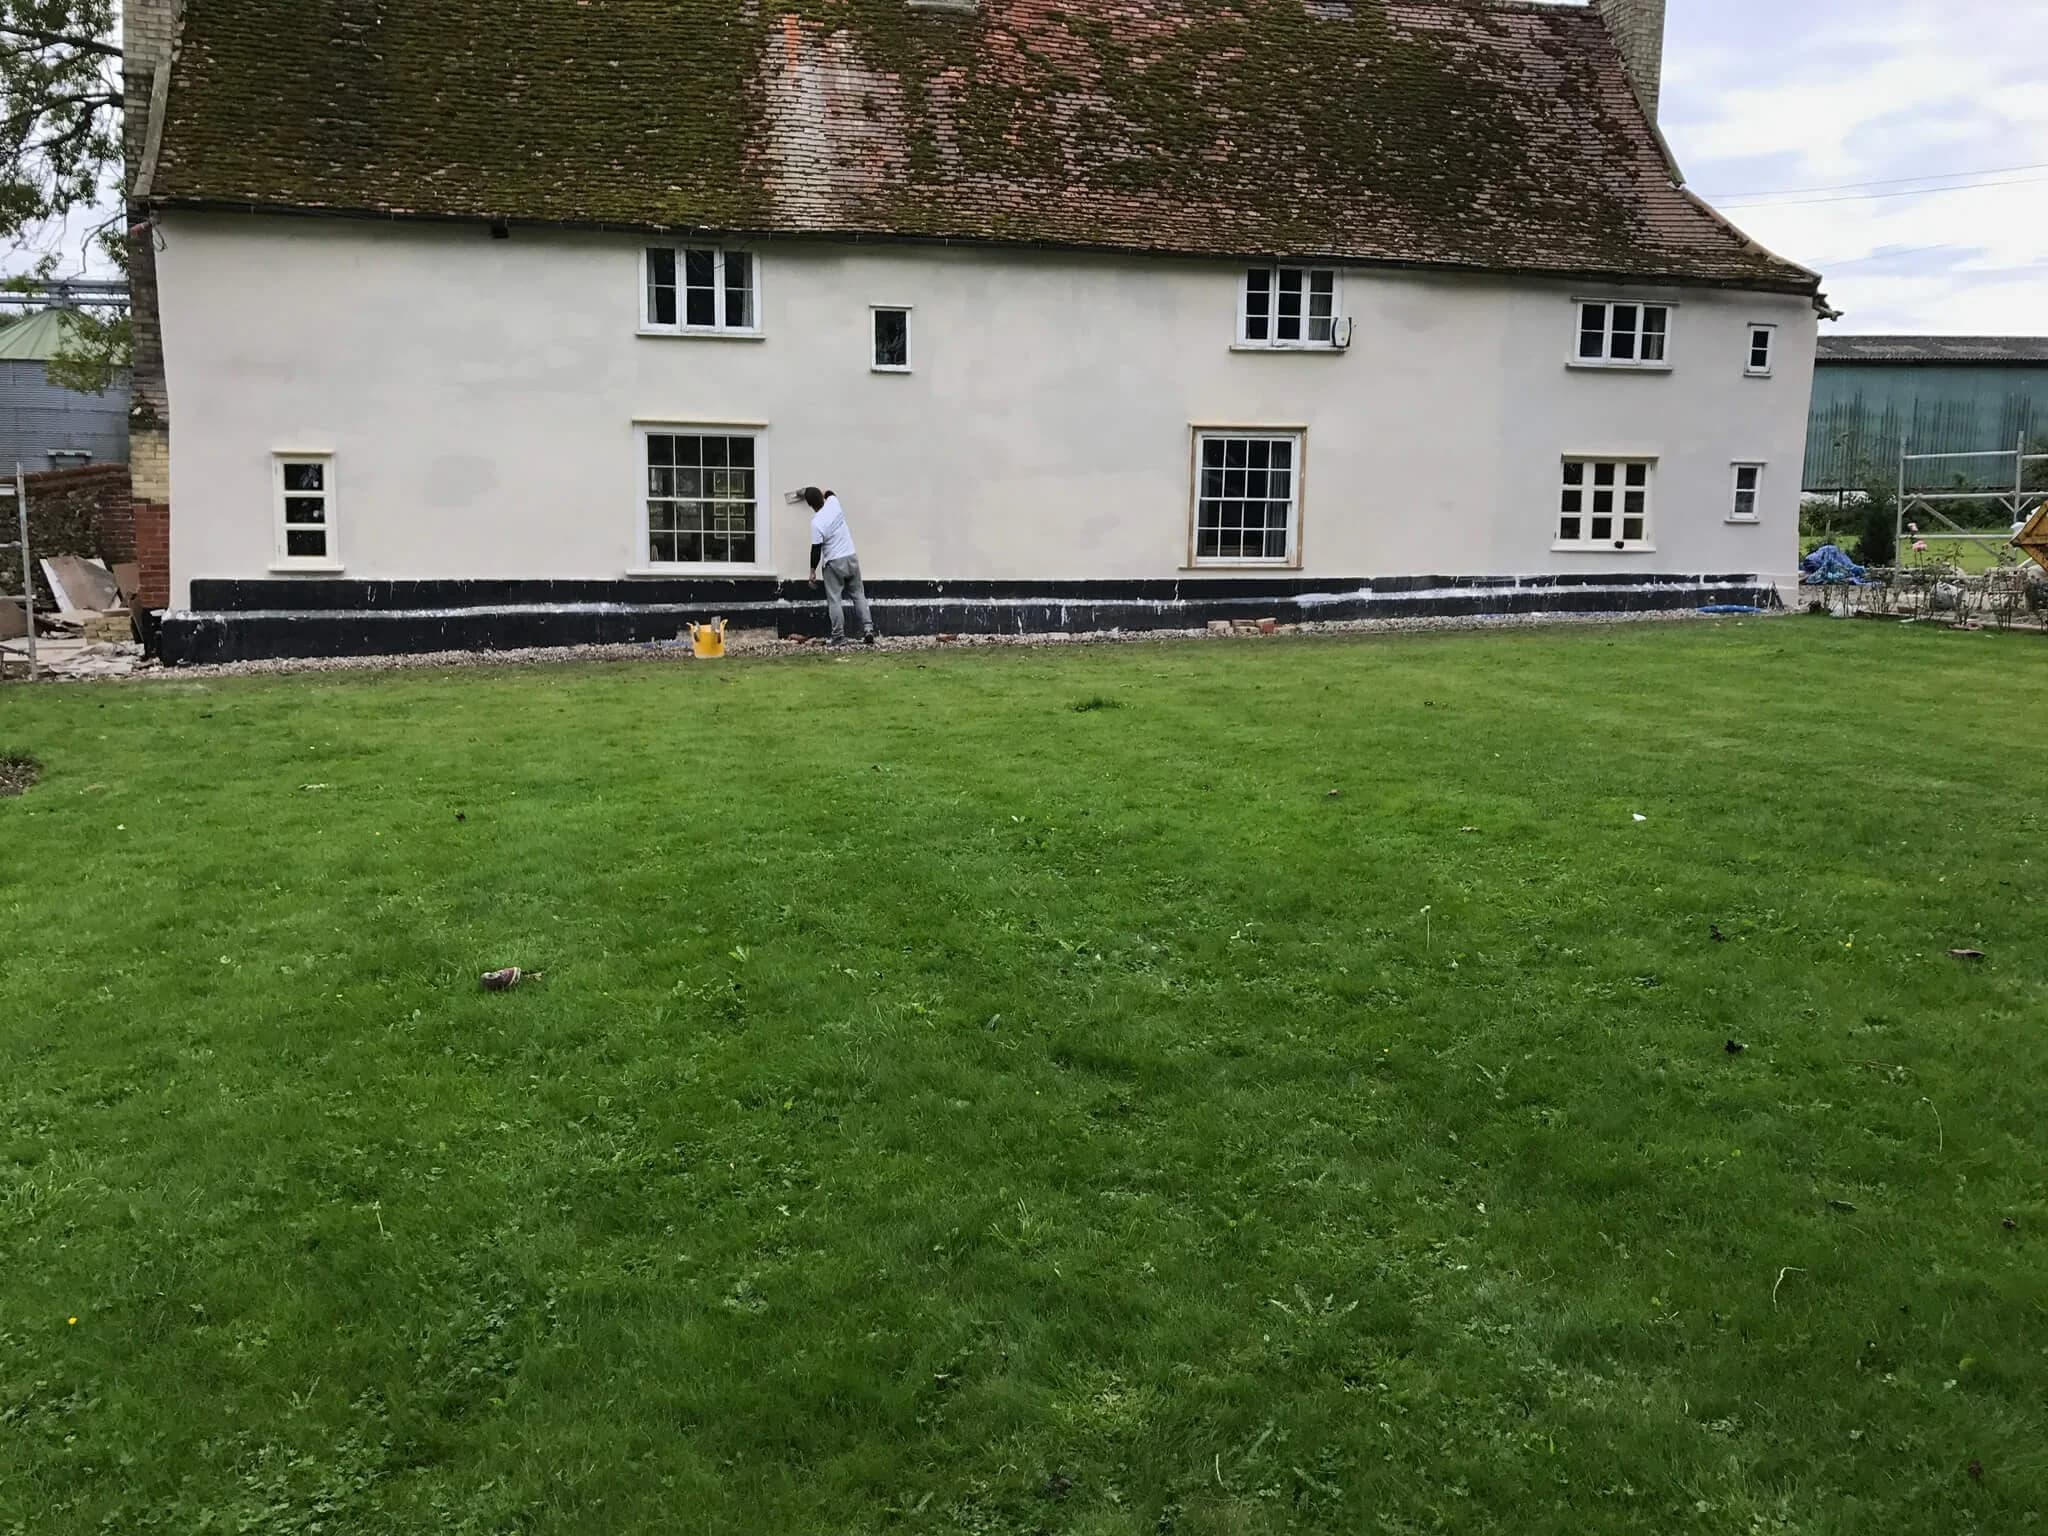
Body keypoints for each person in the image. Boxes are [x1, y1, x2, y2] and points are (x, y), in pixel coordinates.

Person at [804, 487, 876, 647]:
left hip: (834, 564)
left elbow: (816, 549)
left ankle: (838, 637)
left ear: (810, 505)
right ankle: (868, 629)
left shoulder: (816, 523)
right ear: (822, 498)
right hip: (851, 557)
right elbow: (830, 492)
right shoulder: (834, 503)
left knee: (835, 599)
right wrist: (824, 492)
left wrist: (812, 571)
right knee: (858, 594)